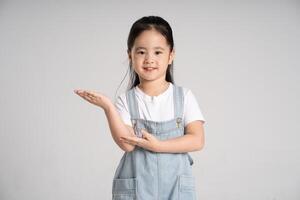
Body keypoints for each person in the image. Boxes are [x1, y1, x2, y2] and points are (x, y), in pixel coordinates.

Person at [74, 15, 206, 200]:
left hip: (175, 190)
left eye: (158, 52)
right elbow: (127, 144)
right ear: (130, 55)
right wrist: (108, 107)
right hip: (137, 190)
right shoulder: (126, 101)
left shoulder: (184, 97)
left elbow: (197, 140)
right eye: (141, 52)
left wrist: (158, 146)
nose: (149, 59)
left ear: (171, 55)